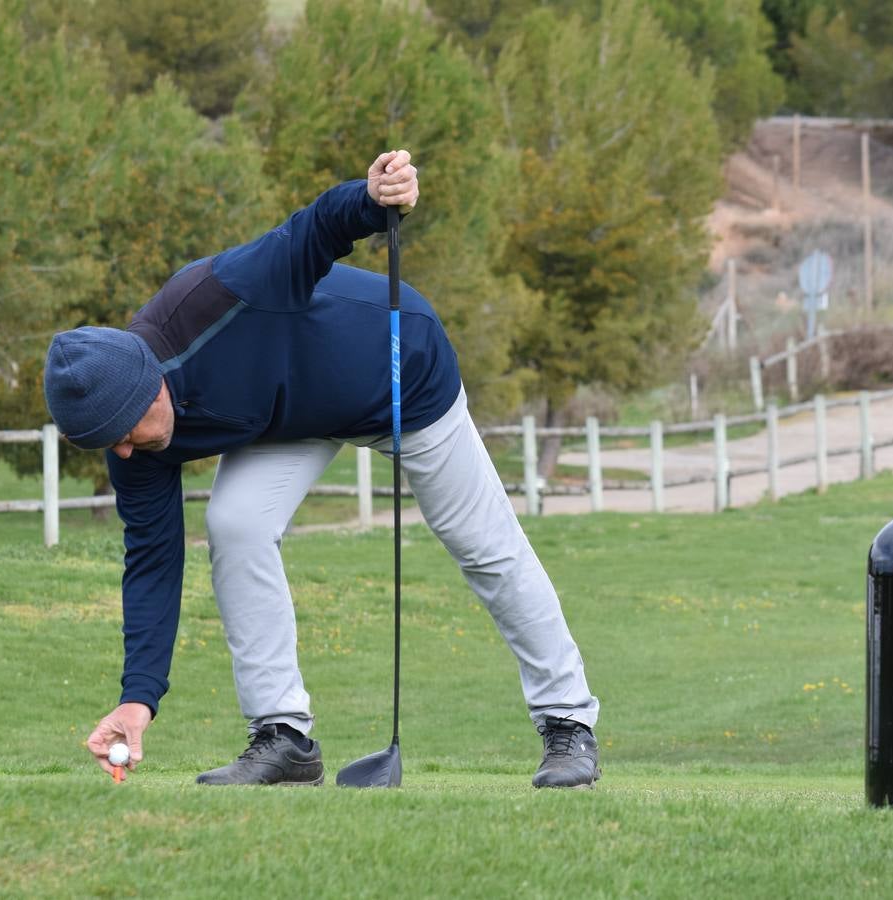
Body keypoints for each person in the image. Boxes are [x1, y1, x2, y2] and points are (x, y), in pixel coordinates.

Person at [42, 151, 600, 789]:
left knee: (484, 546)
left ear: (151, 382)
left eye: (124, 432)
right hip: (292, 415)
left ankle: (568, 725)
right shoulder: (132, 440)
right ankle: (284, 738)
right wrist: (138, 698)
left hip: (398, 369)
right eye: (108, 444)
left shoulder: (218, 297)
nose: (123, 453)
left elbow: (311, 230)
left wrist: (374, 196)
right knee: (235, 523)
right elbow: (152, 562)